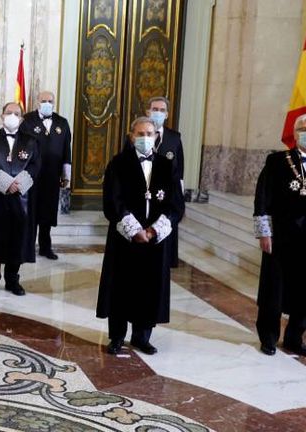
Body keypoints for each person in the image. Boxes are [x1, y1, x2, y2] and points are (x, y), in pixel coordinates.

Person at [253, 113, 306, 358]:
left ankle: (294, 338)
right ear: (295, 132)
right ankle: (269, 337)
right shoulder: (276, 162)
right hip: (280, 236)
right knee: (274, 289)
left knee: (304, 289)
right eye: (304, 128)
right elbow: (262, 197)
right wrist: (264, 232)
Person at [97, 116, 183, 356]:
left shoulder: (167, 165)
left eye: (150, 133)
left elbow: (176, 204)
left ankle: (142, 336)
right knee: (121, 288)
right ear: (131, 136)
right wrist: (134, 230)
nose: (145, 138)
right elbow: (113, 201)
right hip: (126, 239)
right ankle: (116, 336)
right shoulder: (118, 163)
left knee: (149, 288)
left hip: (155, 240)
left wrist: (154, 230)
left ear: (156, 136)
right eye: (140, 133)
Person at [0, 102, 40, 296]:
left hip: (21, 198)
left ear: (22, 118)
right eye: (9, 113)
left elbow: (35, 166)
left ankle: (12, 280)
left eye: (17, 114)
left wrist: (19, 184)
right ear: (1, 116)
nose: (13, 116)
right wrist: (5, 183)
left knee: (17, 240)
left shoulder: (31, 140)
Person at [20, 91, 71, 260]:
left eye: (50, 100)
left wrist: (66, 175)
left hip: (52, 175)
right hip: (31, 175)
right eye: (44, 101)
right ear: (37, 102)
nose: (47, 103)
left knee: (47, 212)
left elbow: (66, 151)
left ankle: (45, 247)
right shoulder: (27, 120)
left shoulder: (62, 123)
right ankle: (27, 247)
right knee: (31, 211)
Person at [146, 96, 184, 267]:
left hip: (166, 196)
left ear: (167, 114)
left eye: (162, 110)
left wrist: (180, 201)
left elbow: (179, 171)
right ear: (148, 112)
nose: (158, 113)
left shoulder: (175, 138)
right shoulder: (139, 135)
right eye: (155, 109)